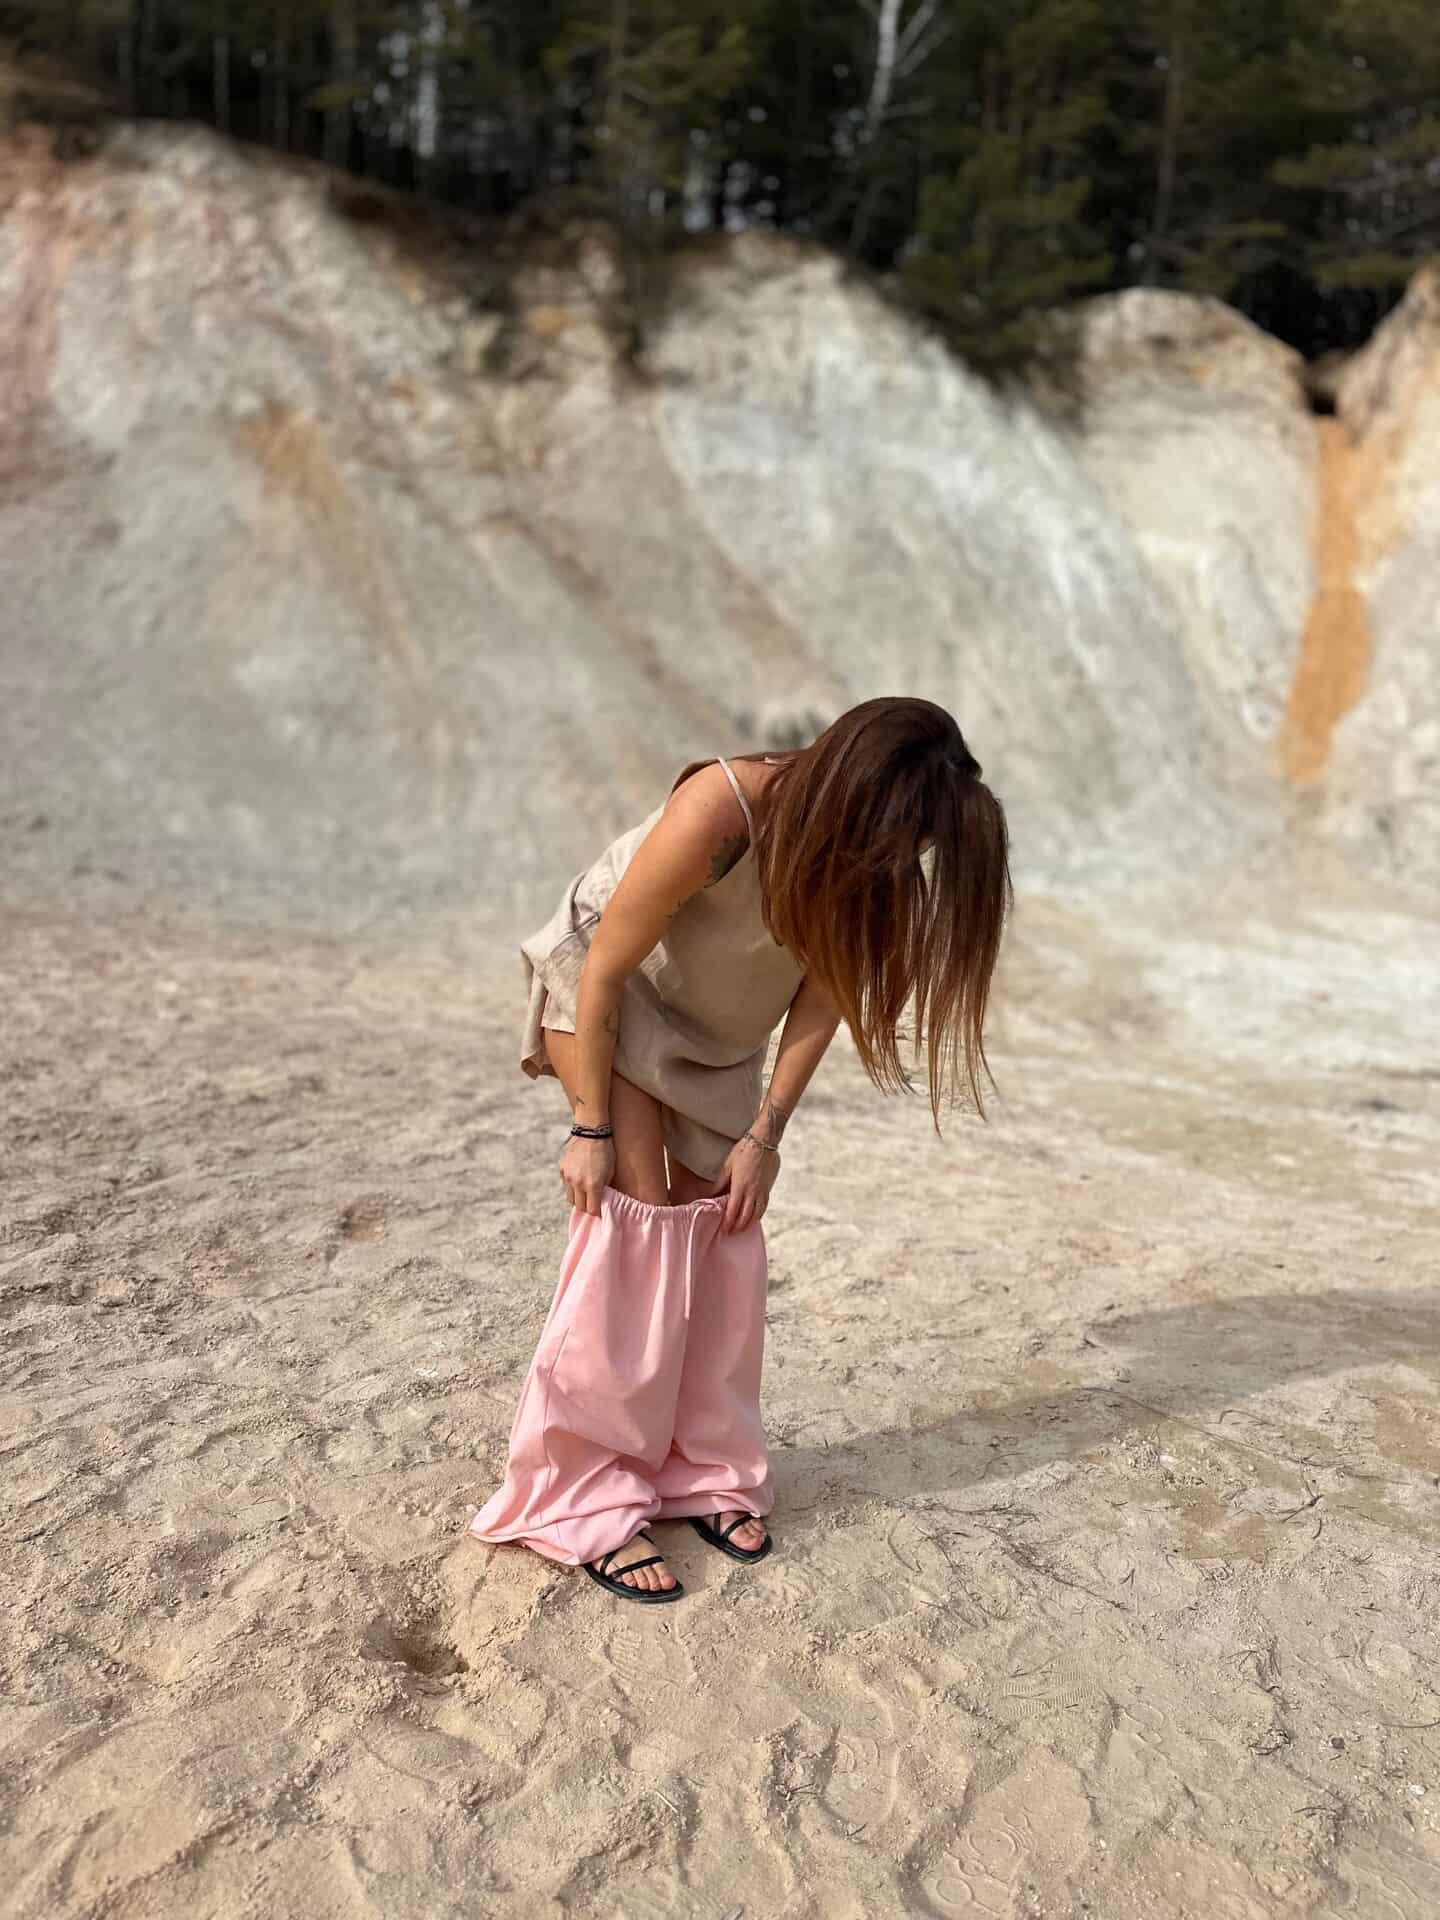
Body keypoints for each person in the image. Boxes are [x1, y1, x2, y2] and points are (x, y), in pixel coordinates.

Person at [468, 696, 1012, 1603]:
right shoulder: (722, 809)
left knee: (723, 1229)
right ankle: (583, 1496)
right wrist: (590, 1126)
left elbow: (826, 993)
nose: (905, 862)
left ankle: (701, 1470)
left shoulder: (872, 852)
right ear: (857, 796)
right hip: (614, 1000)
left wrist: (767, 1135)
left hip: (719, 1037)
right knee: (639, 1228)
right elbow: (604, 969)